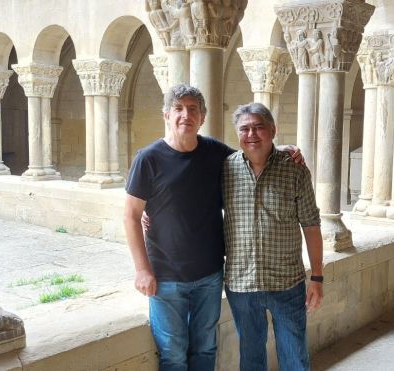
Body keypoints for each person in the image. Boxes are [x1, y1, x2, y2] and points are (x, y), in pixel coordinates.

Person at [123, 85, 303, 370]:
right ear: (166, 115)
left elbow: (253, 154)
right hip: (166, 277)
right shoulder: (148, 158)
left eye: (193, 109)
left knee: (206, 349)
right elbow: (131, 216)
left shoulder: (216, 153)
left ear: (202, 117)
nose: (186, 115)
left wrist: (285, 149)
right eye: (179, 109)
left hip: (209, 274)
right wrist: (142, 269)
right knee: (172, 353)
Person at [222, 102, 324, 371]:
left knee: (295, 357)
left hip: (286, 283)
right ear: (238, 134)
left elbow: (311, 225)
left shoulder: (295, 169)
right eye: (245, 129)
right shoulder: (225, 170)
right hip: (241, 284)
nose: (252, 134)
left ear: (273, 130)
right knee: (251, 358)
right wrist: (150, 212)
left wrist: (317, 277)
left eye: (259, 127)